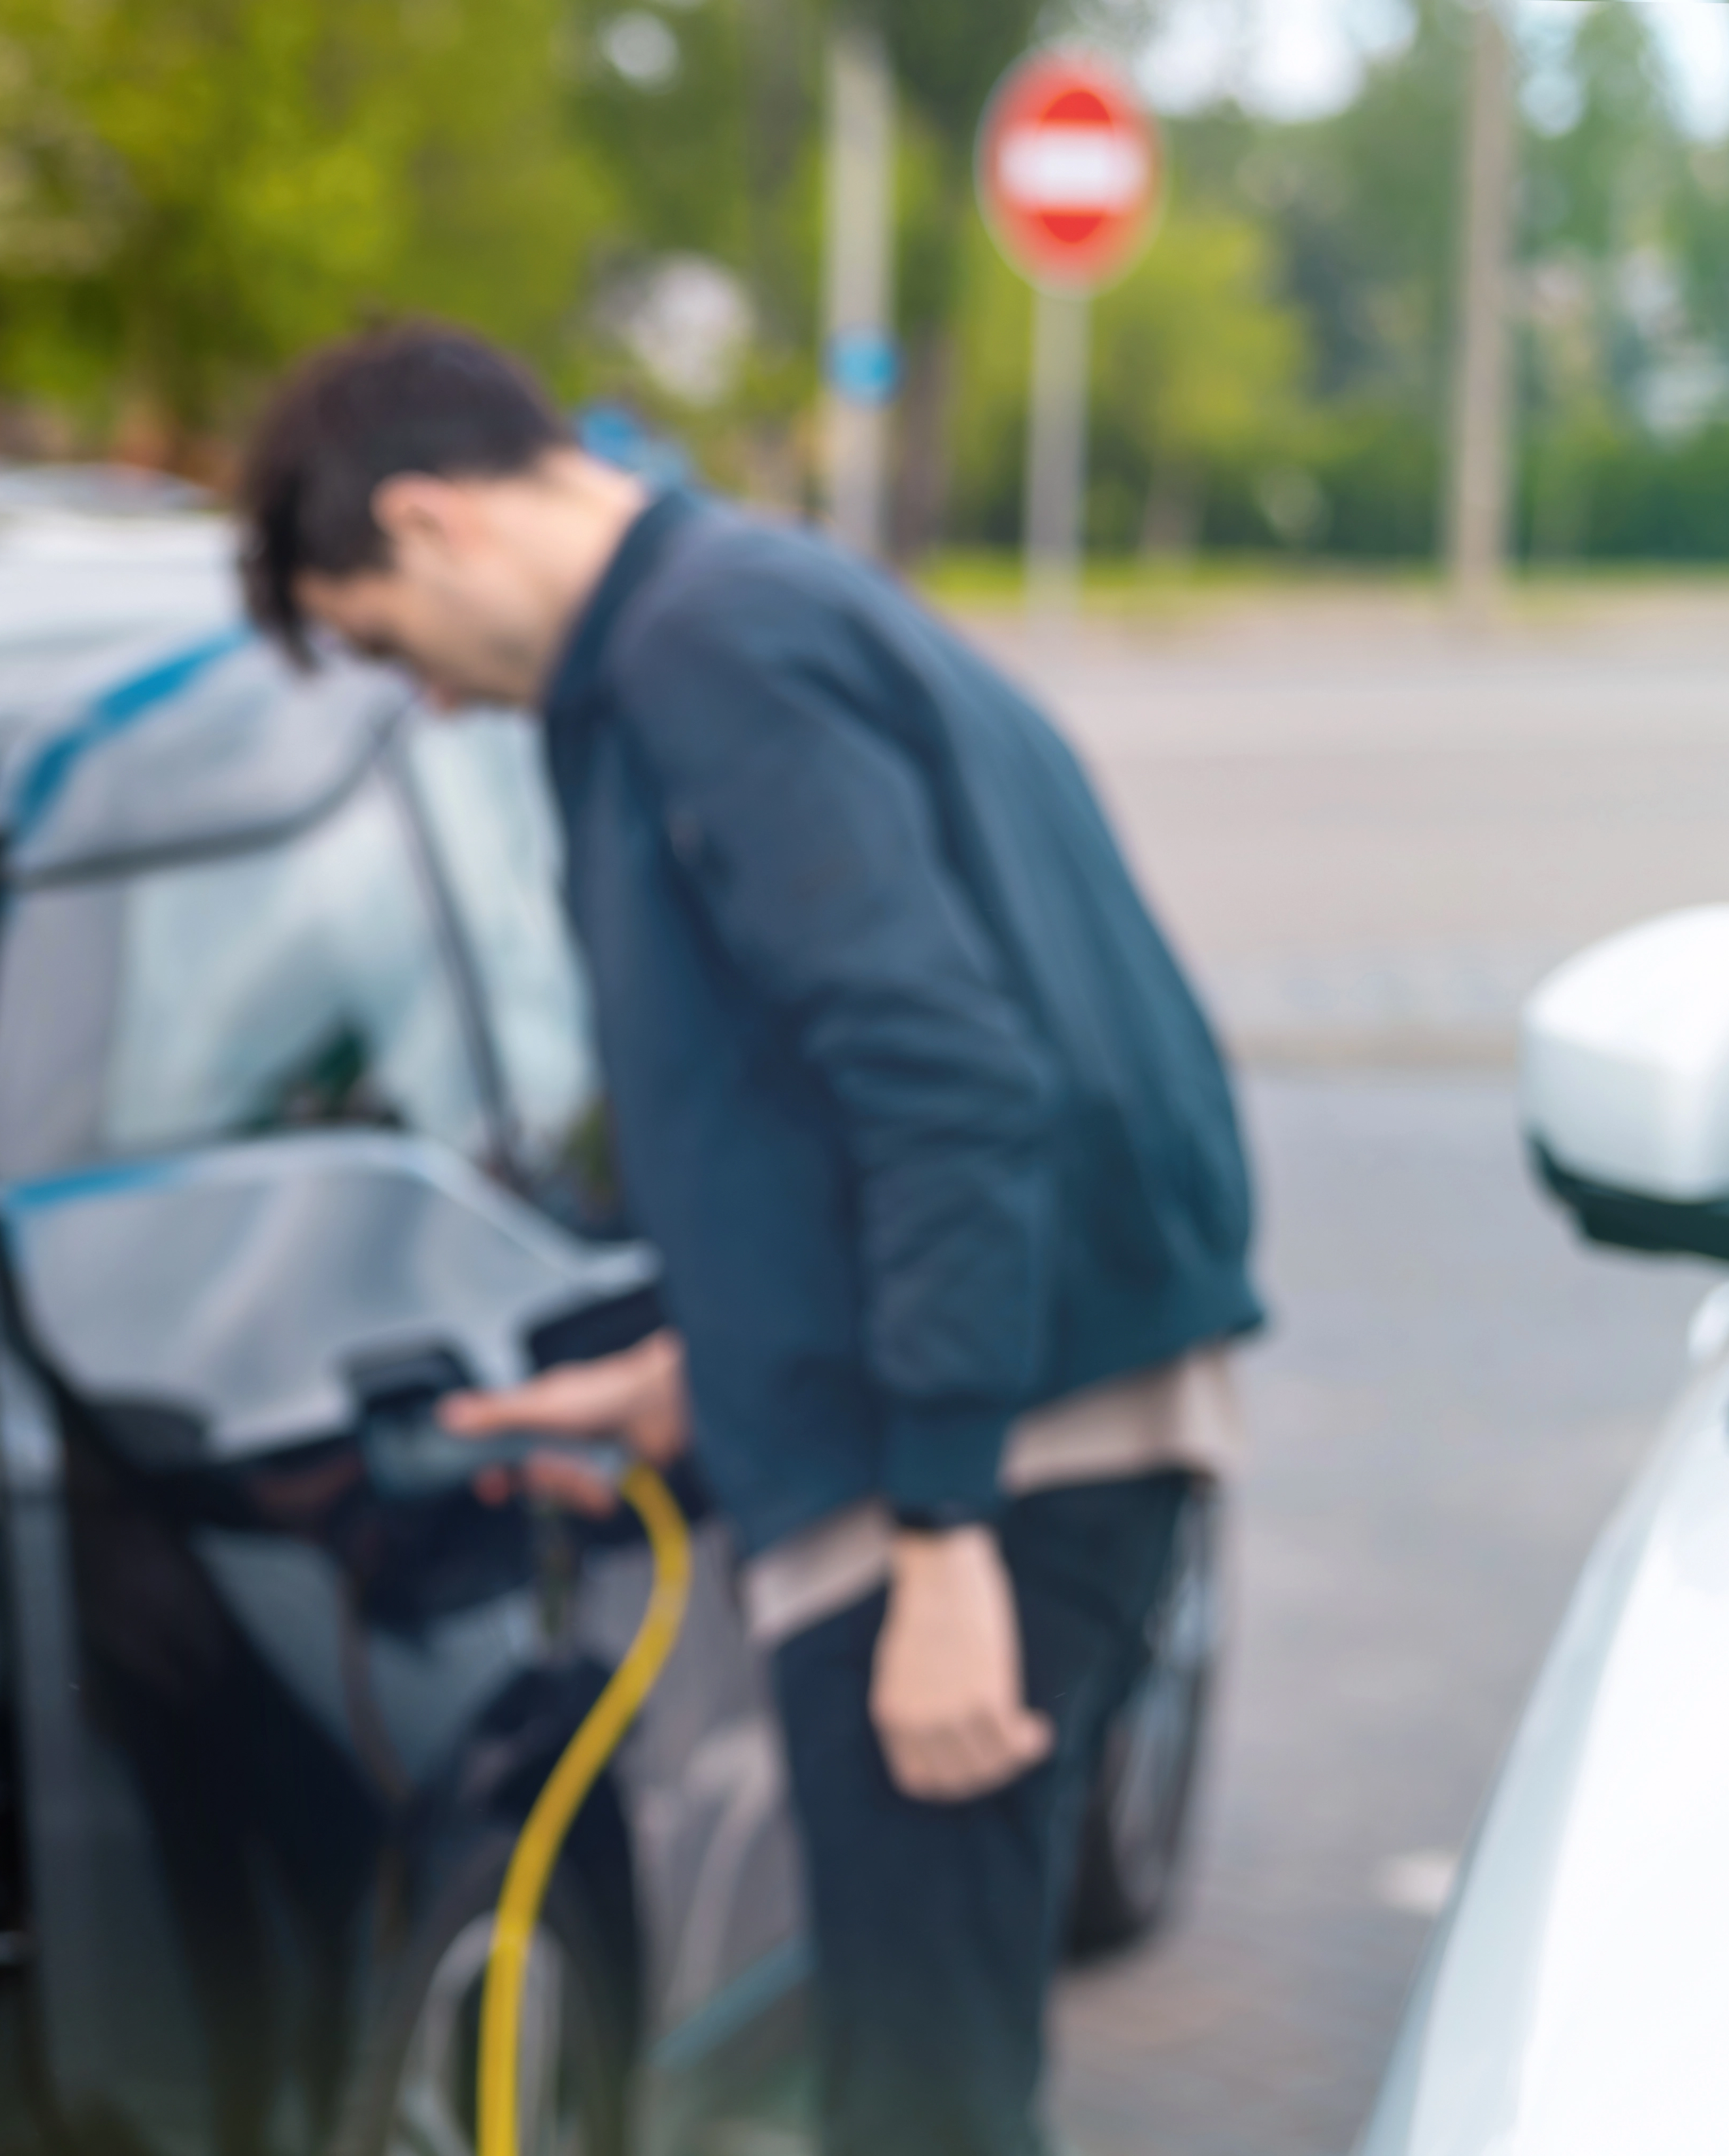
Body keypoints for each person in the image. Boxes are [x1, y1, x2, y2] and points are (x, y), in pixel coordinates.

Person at [235, 324, 1260, 2156]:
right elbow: (833, 1080)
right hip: (991, 1419)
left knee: (920, 2099)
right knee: (919, 2071)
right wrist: (712, 1363)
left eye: (389, 642)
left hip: (983, 1469)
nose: (440, 703)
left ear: (433, 518)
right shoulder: (740, 610)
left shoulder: (703, 654)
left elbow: (946, 1074)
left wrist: (942, 1537)